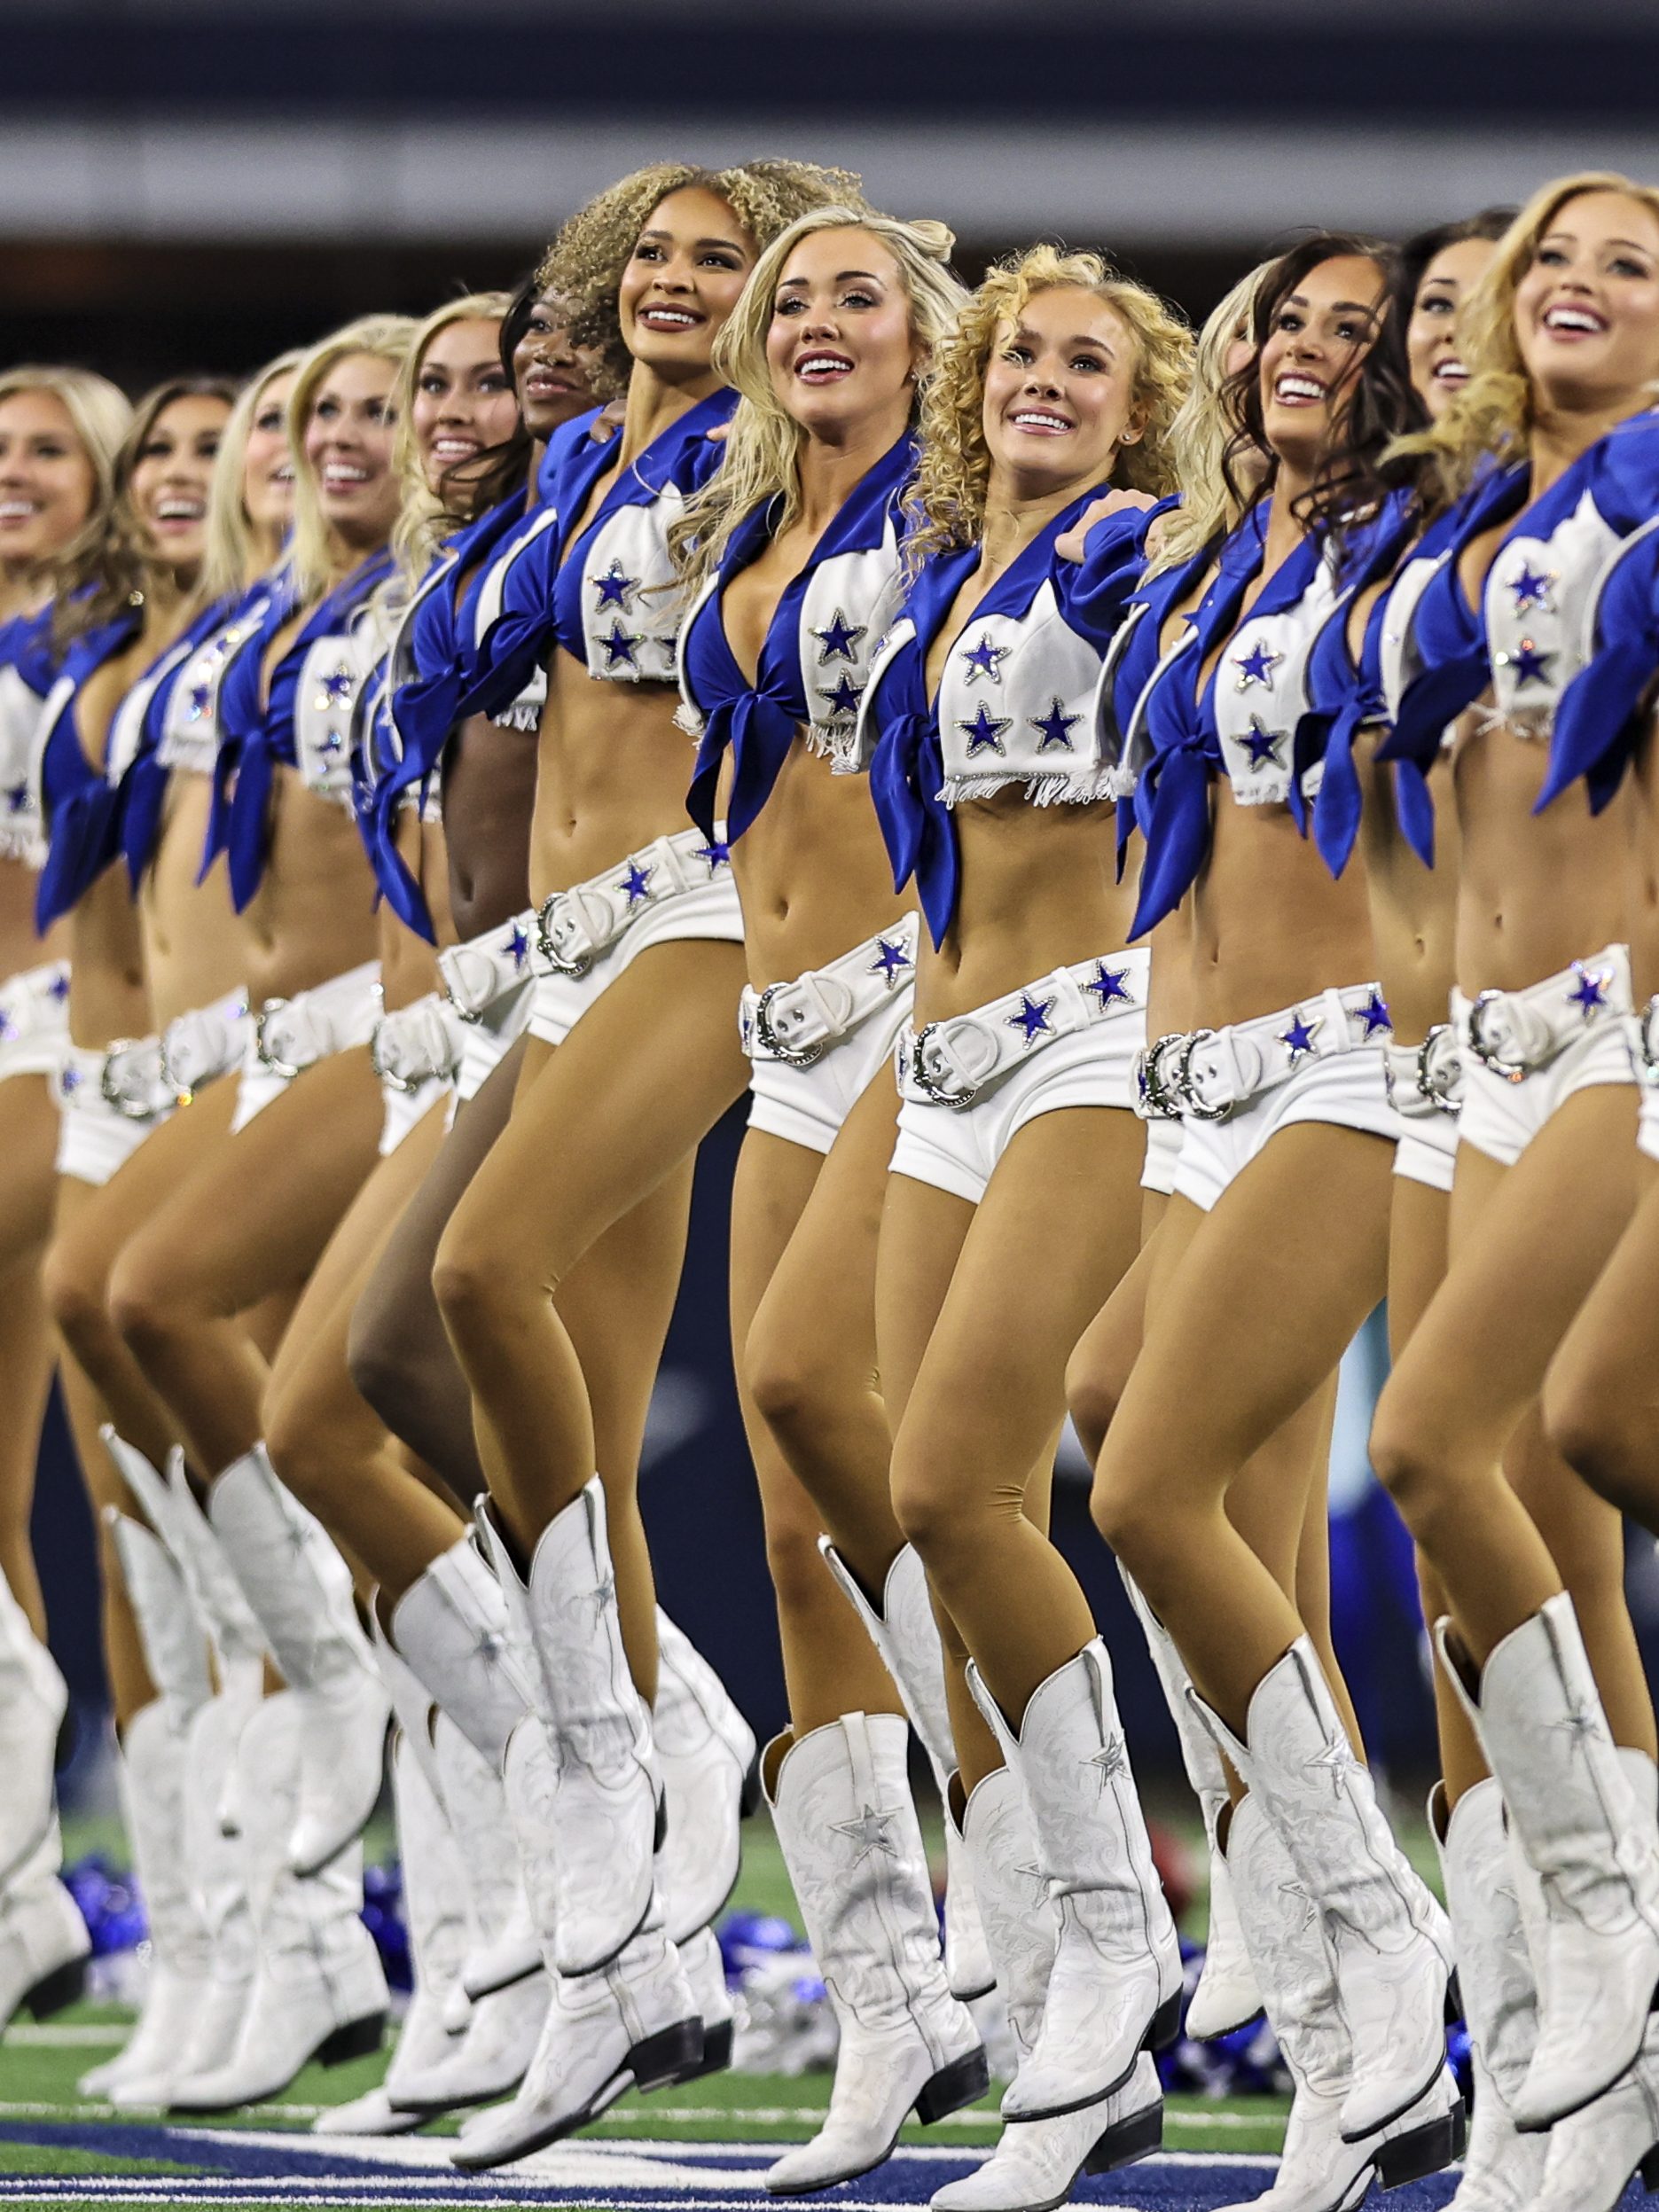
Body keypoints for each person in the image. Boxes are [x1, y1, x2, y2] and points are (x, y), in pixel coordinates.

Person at [395, 160, 857, 2171]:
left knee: (470, 1277)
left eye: (718, 261)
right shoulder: (584, 460)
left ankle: (609, 1765)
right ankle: (635, 1961)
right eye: (651, 255)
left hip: (697, 917)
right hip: (555, 956)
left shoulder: (769, 457)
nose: (676, 281)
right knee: (548, 1406)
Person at [1087, 234, 1465, 2207]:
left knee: (1152, 1490)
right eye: (1284, 320)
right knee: (1139, 1435)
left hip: (1344, 1062)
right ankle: (1334, 2033)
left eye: (1353, 330)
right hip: (1190, 1080)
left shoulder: (1413, 551)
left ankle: (1371, 1913)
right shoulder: (1210, 558)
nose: (1307, 348)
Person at [854, 245, 1190, 2195]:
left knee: (965, 1482)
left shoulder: (1134, 547)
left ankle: (1118, 1939)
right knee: (925, 1503)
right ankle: (1060, 1954)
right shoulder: (941, 574)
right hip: (941, 1057)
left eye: (1088, 364)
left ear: (1137, 416)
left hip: (1091, 1038)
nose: (1043, 380)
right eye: (1019, 354)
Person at [671, 202, 992, 2194]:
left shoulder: (956, 511)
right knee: (795, 1527)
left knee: (845, 1418)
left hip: (904, 1000)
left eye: (856, 296)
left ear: (926, 336)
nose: (812, 321)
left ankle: (1036, 1876)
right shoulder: (743, 517)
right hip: (777, 1028)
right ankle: (891, 2002)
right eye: (790, 298)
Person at [1363, 173, 1659, 2211]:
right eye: (1555, 257)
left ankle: (1616, 1935)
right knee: (1507, 1549)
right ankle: (1561, 2058)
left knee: (1444, 1444)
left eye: (1628, 266)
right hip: (1469, 1057)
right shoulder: (1469, 527)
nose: (1573, 285)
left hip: (1614, 1030)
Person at [90, 317, 418, 2106]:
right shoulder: (251, 630)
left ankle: (403, 1939)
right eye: (289, 420)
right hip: (207, 1053)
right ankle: (263, 1944)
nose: (309, 442)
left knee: (355, 1494)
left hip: (357, 1031)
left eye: (355, 409)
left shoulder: (406, 604)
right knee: (185, 1537)